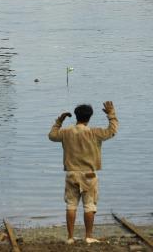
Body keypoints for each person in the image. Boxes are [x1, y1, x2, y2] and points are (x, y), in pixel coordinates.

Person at [48, 101, 118, 245]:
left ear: (76, 116)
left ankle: (70, 237)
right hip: (89, 175)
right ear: (89, 117)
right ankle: (88, 236)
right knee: (89, 205)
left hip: (71, 173)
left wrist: (59, 120)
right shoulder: (95, 132)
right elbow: (112, 131)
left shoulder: (66, 132)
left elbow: (52, 135)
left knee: (71, 205)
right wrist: (111, 114)